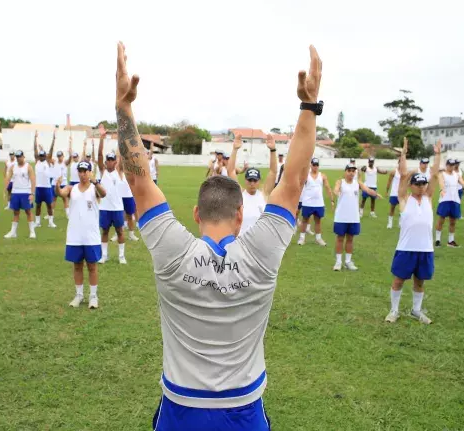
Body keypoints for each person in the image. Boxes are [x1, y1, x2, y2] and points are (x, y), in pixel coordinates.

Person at [115, 41, 321, 429]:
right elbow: (293, 183)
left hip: (180, 409)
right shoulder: (260, 254)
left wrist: (124, 107)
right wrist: (308, 107)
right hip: (243, 411)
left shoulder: (174, 252)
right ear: (241, 216)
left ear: (196, 214)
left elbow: (139, 185)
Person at [385, 139, 441, 325]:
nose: (421, 186)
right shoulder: (404, 199)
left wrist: (438, 154)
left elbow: (433, 176)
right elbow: (402, 176)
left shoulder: (428, 198)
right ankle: (394, 310)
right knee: (399, 280)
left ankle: (416, 311)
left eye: (423, 184)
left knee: (420, 282)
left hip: (425, 249)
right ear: (411, 185)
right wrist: (404, 154)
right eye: (417, 184)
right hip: (406, 248)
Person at [55, 161, 106, 309]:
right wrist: (58, 187)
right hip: (75, 235)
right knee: (77, 266)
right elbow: (62, 193)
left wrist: (96, 182)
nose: (82, 174)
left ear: (90, 172)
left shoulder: (94, 188)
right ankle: (79, 295)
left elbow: (104, 193)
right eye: (80, 171)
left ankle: (93, 296)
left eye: (85, 171)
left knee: (92, 266)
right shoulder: (72, 188)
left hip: (91, 235)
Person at [226, 132, 278, 236]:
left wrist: (272, 150)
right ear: (245, 180)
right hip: (241, 241)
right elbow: (231, 171)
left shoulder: (264, 195)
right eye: (250, 180)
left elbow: (273, 172)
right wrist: (235, 149)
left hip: (259, 242)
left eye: (255, 180)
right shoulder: (240, 194)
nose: (252, 183)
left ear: (259, 181)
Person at [333, 163, 380, 271]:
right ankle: (338, 262)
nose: (351, 173)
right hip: (341, 217)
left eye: (353, 171)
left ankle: (348, 261)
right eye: (349, 170)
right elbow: (336, 189)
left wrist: (375, 194)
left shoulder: (357, 183)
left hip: (353, 217)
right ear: (345, 172)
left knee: (350, 239)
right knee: (340, 239)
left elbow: (367, 190)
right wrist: (336, 192)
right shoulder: (340, 182)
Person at [435, 158, 464, 247]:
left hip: (455, 200)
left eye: (453, 165)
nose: (451, 167)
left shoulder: (457, 175)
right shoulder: (442, 174)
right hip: (445, 200)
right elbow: (441, 183)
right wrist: (442, 190)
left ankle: (450, 241)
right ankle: (437, 240)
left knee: (453, 222)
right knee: (441, 220)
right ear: (447, 165)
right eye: (450, 165)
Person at [97, 135, 127, 263]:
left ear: (115, 161)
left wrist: (121, 140)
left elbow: (122, 156)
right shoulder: (102, 171)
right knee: (105, 231)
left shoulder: (119, 171)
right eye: (108, 160)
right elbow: (99, 155)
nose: (110, 162)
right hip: (104, 207)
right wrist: (102, 139)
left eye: (112, 160)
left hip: (117, 208)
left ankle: (121, 256)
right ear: (105, 162)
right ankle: (104, 255)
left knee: (120, 231)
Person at [297, 157, 333, 246]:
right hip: (307, 202)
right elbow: (300, 186)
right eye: (314, 165)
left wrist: (332, 200)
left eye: (317, 165)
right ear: (311, 165)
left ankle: (318, 238)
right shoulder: (306, 175)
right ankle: (302, 238)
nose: (315, 167)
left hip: (318, 203)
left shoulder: (322, 176)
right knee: (305, 220)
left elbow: (327, 187)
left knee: (318, 221)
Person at [4, 150, 37, 239]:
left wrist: (32, 193)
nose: (18, 158)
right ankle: (13, 232)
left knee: (28, 212)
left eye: (20, 156)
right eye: (17, 157)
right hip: (15, 192)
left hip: (25, 192)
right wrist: (5, 190)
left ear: (23, 157)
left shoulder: (28, 167)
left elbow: (33, 180)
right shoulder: (13, 167)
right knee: (15, 212)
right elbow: (8, 178)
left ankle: (32, 231)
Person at [33, 131, 55, 228]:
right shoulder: (37, 161)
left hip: (47, 187)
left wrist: (53, 139)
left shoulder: (47, 161)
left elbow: (51, 149)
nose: (41, 157)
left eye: (43, 155)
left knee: (49, 205)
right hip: (38, 187)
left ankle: (51, 222)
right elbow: (34, 150)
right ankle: (37, 222)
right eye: (40, 155)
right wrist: (35, 138)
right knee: (38, 205)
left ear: (45, 156)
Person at [386, 163, 402, 229]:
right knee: (392, 208)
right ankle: (390, 223)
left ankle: (400, 223)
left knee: (402, 210)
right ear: (398, 163)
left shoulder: (405, 172)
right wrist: (387, 191)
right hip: (394, 193)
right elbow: (389, 181)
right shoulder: (394, 172)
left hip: (402, 194)